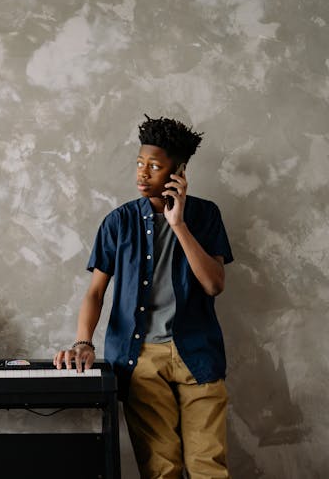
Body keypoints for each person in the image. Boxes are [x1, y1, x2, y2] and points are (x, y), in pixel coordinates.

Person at [53, 115, 233, 478]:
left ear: (178, 170)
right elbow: (96, 292)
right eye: (139, 163)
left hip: (197, 353)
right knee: (160, 469)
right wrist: (83, 341)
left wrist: (178, 224)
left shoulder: (205, 215)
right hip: (140, 360)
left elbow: (214, 284)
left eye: (154, 166)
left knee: (208, 469)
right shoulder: (118, 222)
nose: (142, 173)